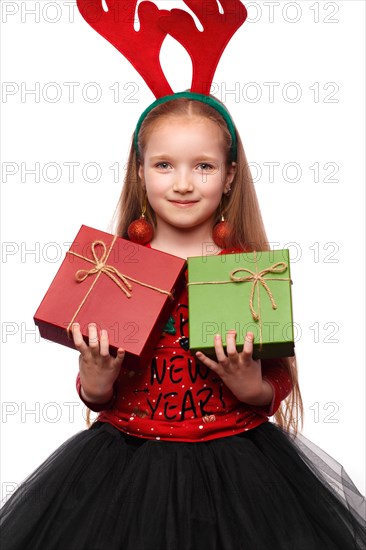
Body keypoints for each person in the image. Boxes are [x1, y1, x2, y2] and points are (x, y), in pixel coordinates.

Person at [1, 95, 365, 550]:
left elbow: (275, 383)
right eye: (164, 165)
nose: (183, 184)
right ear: (140, 170)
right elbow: (97, 396)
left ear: (230, 175)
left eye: (204, 167)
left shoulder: (248, 274)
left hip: (238, 465)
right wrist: (95, 379)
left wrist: (248, 383)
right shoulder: (114, 270)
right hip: (126, 462)